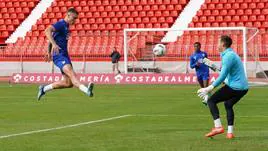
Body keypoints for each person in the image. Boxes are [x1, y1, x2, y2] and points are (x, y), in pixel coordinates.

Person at [197, 35, 248, 139]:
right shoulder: (228, 54)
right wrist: (214, 67)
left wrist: (209, 88)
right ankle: (230, 133)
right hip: (243, 88)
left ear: (223, 44)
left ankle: (218, 127)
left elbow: (223, 76)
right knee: (228, 104)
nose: (217, 44)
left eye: (218, 42)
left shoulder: (228, 56)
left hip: (235, 87)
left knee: (211, 101)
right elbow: (226, 74)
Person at [37, 8, 94, 100]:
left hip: (64, 55)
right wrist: (54, 45)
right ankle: (86, 90)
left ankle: (44, 89)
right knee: (72, 74)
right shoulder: (61, 24)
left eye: (76, 19)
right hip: (59, 55)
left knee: (68, 83)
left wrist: (48, 51)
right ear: (68, 15)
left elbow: (53, 37)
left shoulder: (66, 27)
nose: (75, 21)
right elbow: (47, 30)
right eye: (74, 18)